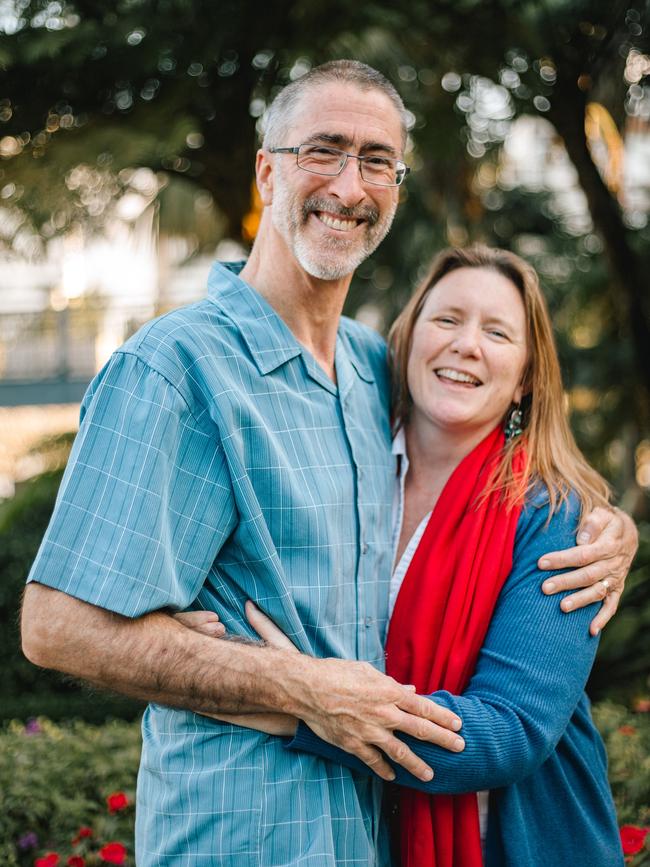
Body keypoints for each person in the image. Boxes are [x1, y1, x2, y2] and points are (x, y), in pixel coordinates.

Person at [20, 62, 634, 867]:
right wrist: (296, 688)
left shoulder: (370, 369)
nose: (349, 183)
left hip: (376, 838)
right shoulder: (174, 369)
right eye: (324, 150)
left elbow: (496, 450)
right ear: (267, 170)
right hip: (238, 841)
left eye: (377, 159)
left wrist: (609, 529)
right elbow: (55, 625)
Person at [221, 246, 623, 866]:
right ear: (407, 342)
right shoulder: (348, 465)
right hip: (360, 831)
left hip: (508, 846)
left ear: (524, 379)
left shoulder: (553, 517)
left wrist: (300, 708)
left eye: (497, 332)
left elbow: (508, 734)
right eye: (447, 320)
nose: (467, 344)